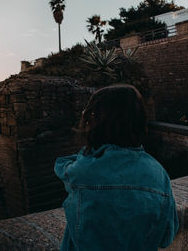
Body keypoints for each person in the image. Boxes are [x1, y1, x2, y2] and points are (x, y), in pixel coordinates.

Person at [54, 84, 179, 251]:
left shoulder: (82, 171)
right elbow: (166, 237)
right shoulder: (159, 174)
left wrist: (89, 152)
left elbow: (61, 165)